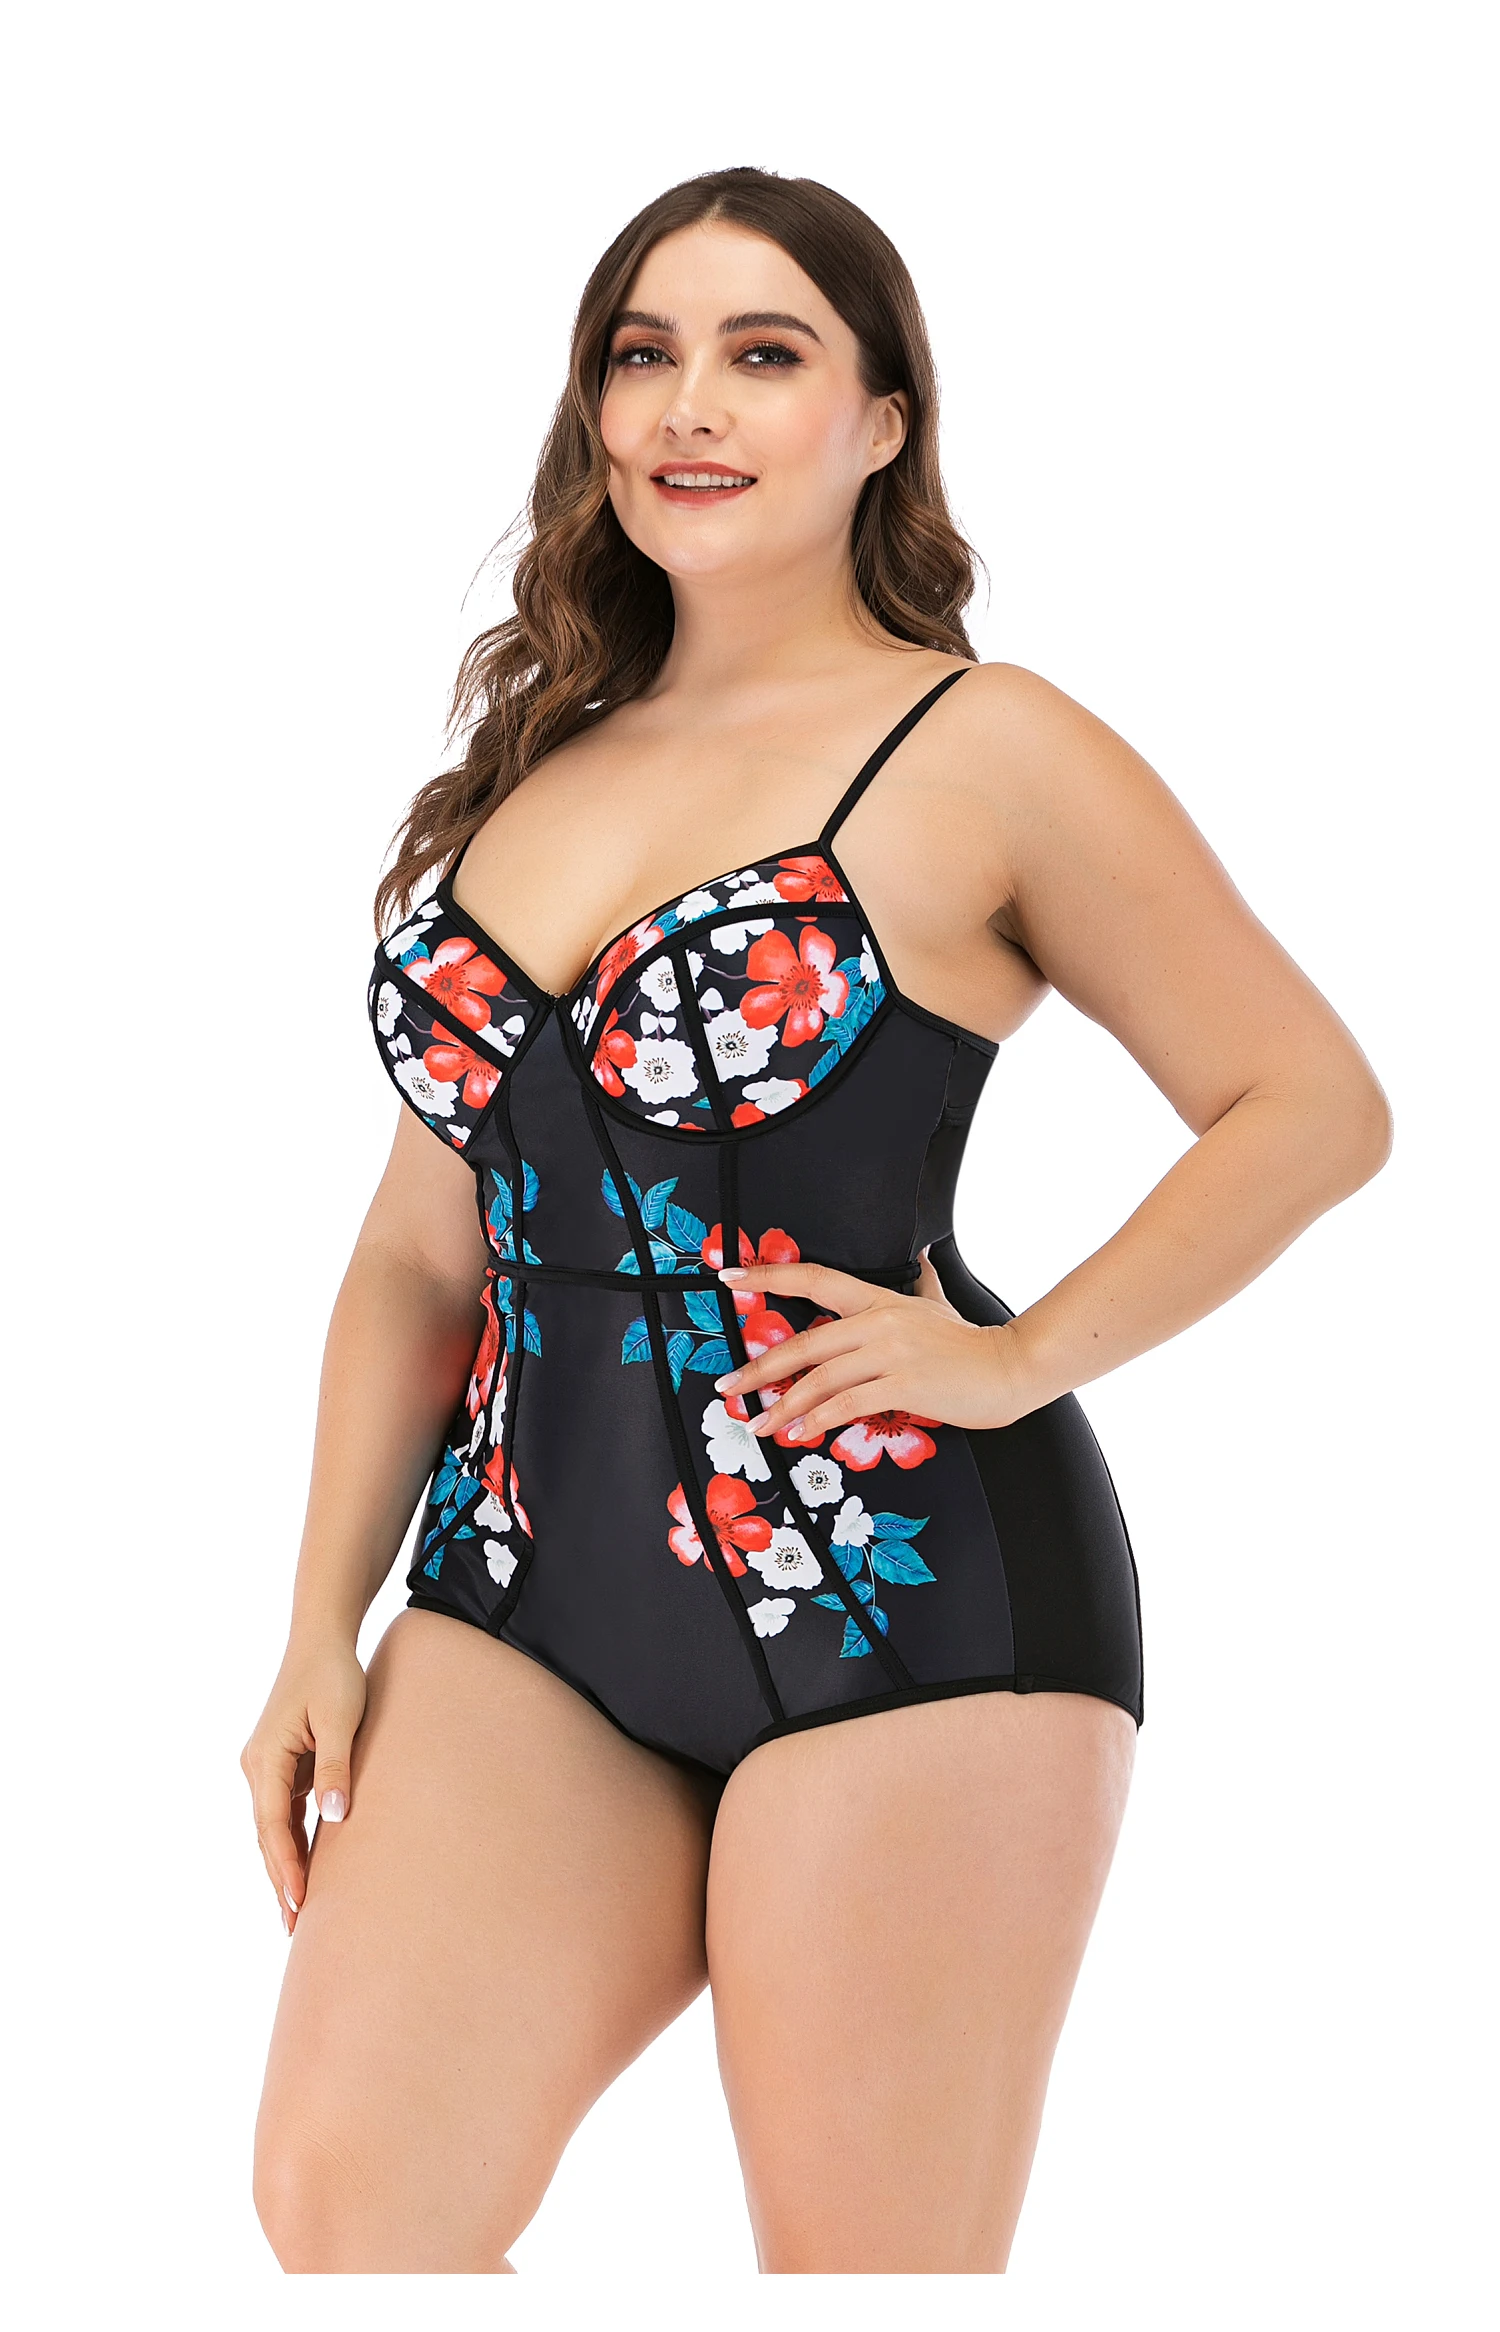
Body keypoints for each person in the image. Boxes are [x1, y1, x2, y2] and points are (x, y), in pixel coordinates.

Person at [242, 167, 1391, 2274]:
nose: (690, 403)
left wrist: (1015, 1357)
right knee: (353, 2207)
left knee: (867, 2281)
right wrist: (320, 1617)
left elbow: (1309, 1103)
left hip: (909, 1608)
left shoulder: (989, 746)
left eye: (762, 354)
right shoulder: (538, 760)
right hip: (516, 1600)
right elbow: (420, 1251)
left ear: (881, 421)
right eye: (643, 353)